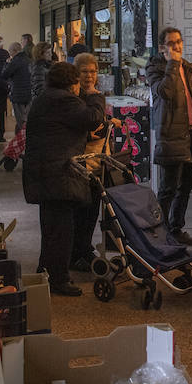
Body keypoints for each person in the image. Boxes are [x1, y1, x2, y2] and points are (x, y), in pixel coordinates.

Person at [21, 61, 107, 296]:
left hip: (44, 172)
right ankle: (58, 279)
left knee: (51, 228)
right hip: (57, 174)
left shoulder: (46, 97)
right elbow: (93, 118)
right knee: (60, 229)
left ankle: (46, 271)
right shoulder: (63, 100)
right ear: (73, 83)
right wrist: (95, 96)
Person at [146, 27, 192, 246]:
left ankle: (175, 228)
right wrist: (172, 64)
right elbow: (165, 92)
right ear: (163, 47)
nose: (178, 46)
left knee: (186, 186)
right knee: (168, 188)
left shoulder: (188, 68)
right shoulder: (156, 68)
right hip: (172, 135)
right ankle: (158, 233)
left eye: (179, 41)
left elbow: (191, 100)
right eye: (172, 43)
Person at [72, 52, 110, 273]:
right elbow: (88, 126)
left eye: (93, 71)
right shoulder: (78, 98)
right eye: (85, 71)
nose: (89, 76)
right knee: (82, 209)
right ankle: (77, 252)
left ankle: (84, 249)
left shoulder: (94, 96)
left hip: (96, 161)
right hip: (79, 163)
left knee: (92, 208)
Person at [4, 42, 33, 134]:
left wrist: (6, 64)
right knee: (27, 118)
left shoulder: (14, 61)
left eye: (10, 51)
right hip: (29, 93)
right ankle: (23, 137)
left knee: (20, 119)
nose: (9, 53)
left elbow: (5, 74)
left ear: (14, 51)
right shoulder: (29, 60)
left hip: (17, 93)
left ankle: (22, 139)